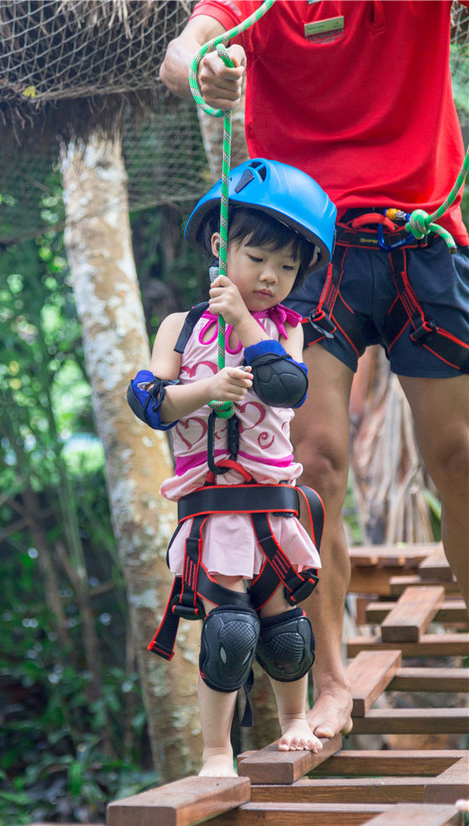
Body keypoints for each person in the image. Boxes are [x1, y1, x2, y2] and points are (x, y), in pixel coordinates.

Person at [159, 0, 469, 742]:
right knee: (309, 461)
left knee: (460, 453)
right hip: (307, 251)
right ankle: (330, 684)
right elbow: (186, 47)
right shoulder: (266, 4)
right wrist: (200, 67)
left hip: (421, 233)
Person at [128, 158, 336, 774]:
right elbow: (150, 400)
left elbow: (284, 387)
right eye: (258, 260)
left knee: (287, 632)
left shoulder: (286, 329)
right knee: (232, 634)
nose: (272, 276)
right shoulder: (181, 326)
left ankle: (296, 718)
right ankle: (217, 751)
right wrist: (206, 389)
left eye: (287, 267)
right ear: (222, 248)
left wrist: (244, 322)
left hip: (272, 509)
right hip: (212, 511)